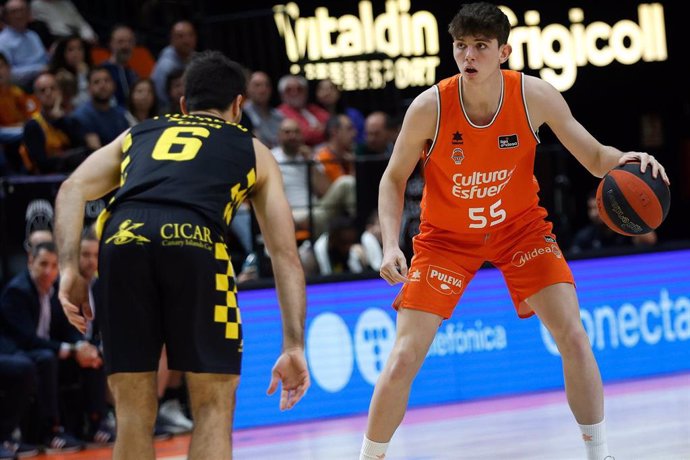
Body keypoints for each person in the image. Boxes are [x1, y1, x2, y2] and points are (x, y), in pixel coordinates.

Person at [359, 4, 670, 460]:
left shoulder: (534, 96)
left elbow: (595, 156)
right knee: (404, 356)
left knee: (574, 336)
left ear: (503, 51)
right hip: (446, 239)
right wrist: (389, 245)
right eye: (461, 46)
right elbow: (392, 178)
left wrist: (631, 159)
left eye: (481, 47)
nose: (469, 55)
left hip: (519, 230)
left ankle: (600, 455)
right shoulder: (431, 106)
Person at [54, 50, 309, 460]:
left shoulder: (140, 132)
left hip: (123, 239)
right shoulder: (252, 148)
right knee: (213, 403)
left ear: (184, 104)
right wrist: (294, 344)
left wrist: (69, 269)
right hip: (195, 240)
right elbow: (284, 256)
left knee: (133, 411)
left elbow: (71, 189)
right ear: (239, 106)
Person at [19, 72, 86, 174]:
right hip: (46, 180)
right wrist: (70, 157)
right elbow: (42, 164)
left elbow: (83, 151)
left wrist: (61, 121)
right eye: (43, 90)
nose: (48, 93)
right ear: (36, 96)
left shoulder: (71, 120)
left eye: (53, 88)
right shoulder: (32, 125)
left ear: (59, 92)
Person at [569, 190, 657, 254]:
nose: (594, 213)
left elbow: (650, 240)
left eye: (597, 208)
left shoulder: (627, 229)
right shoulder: (584, 237)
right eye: (590, 208)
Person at [71, 66, 129, 151]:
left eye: (107, 80)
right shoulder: (82, 116)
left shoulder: (121, 114)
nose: (103, 85)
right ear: (89, 88)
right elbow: (96, 149)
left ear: (114, 85)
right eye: (96, 82)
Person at [151, 20, 196, 107]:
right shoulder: (165, 66)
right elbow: (161, 99)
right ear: (172, 39)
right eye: (180, 36)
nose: (186, 40)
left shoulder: (195, 58)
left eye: (190, 35)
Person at [101, 24, 139, 108]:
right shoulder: (103, 72)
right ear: (111, 44)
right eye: (120, 42)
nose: (125, 46)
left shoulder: (133, 74)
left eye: (130, 41)